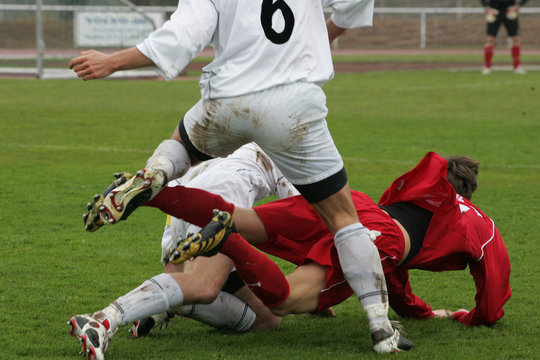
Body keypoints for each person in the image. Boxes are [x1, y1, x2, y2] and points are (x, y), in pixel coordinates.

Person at [70, 0, 409, 356]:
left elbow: (180, 37)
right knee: (344, 221)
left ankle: (156, 174)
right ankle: (381, 327)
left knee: (181, 146)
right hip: (293, 107)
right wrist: (327, 32)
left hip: (227, 101)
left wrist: (111, 61)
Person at [148, 151, 510, 327]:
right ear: (468, 193)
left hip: (355, 206)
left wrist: (417, 309)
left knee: (241, 217)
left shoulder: (422, 187)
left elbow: (388, 271)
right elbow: (492, 293)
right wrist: (471, 317)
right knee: (283, 302)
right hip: (381, 237)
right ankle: (227, 242)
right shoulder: (481, 224)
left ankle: (150, 191)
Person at [131, 142, 297, 336]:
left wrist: (172, 266)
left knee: (190, 289)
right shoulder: (271, 153)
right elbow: (298, 215)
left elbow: (173, 217)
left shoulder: (196, 147)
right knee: (269, 318)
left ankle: (169, 302)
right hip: (215, 228)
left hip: (184, 230)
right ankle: (166, 305)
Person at [480, 0, 529, 75]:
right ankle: (487, 66)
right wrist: (486, 6)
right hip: (494, 10)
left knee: (515, 39)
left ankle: (517, 66)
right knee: (490, 39)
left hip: (510, 11)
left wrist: (518, 6)